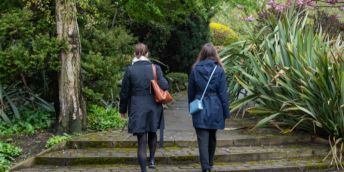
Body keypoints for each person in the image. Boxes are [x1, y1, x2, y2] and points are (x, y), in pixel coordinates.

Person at [120, 43, 169, 172]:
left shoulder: (130, 70)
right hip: (154, 106)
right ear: (147, 54)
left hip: (137, 107)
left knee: (141, 140)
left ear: (135, 54)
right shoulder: (155, 67)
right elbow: (165, 85)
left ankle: (143, 170)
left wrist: (122, 110)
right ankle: (152, 160)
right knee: (153, 133)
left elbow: (124, 92)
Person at [188, 43, 230, 172]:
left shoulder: (195, 69)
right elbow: (223, 93)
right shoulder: (219, 70)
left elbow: (191, 91)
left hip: (199, 106)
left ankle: (205, 167)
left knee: (202, 139)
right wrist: (226, 112)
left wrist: (191, 106)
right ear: (214, 55)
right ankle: (209, 163)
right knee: (212, 136)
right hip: (215, 107)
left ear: (202, 54)